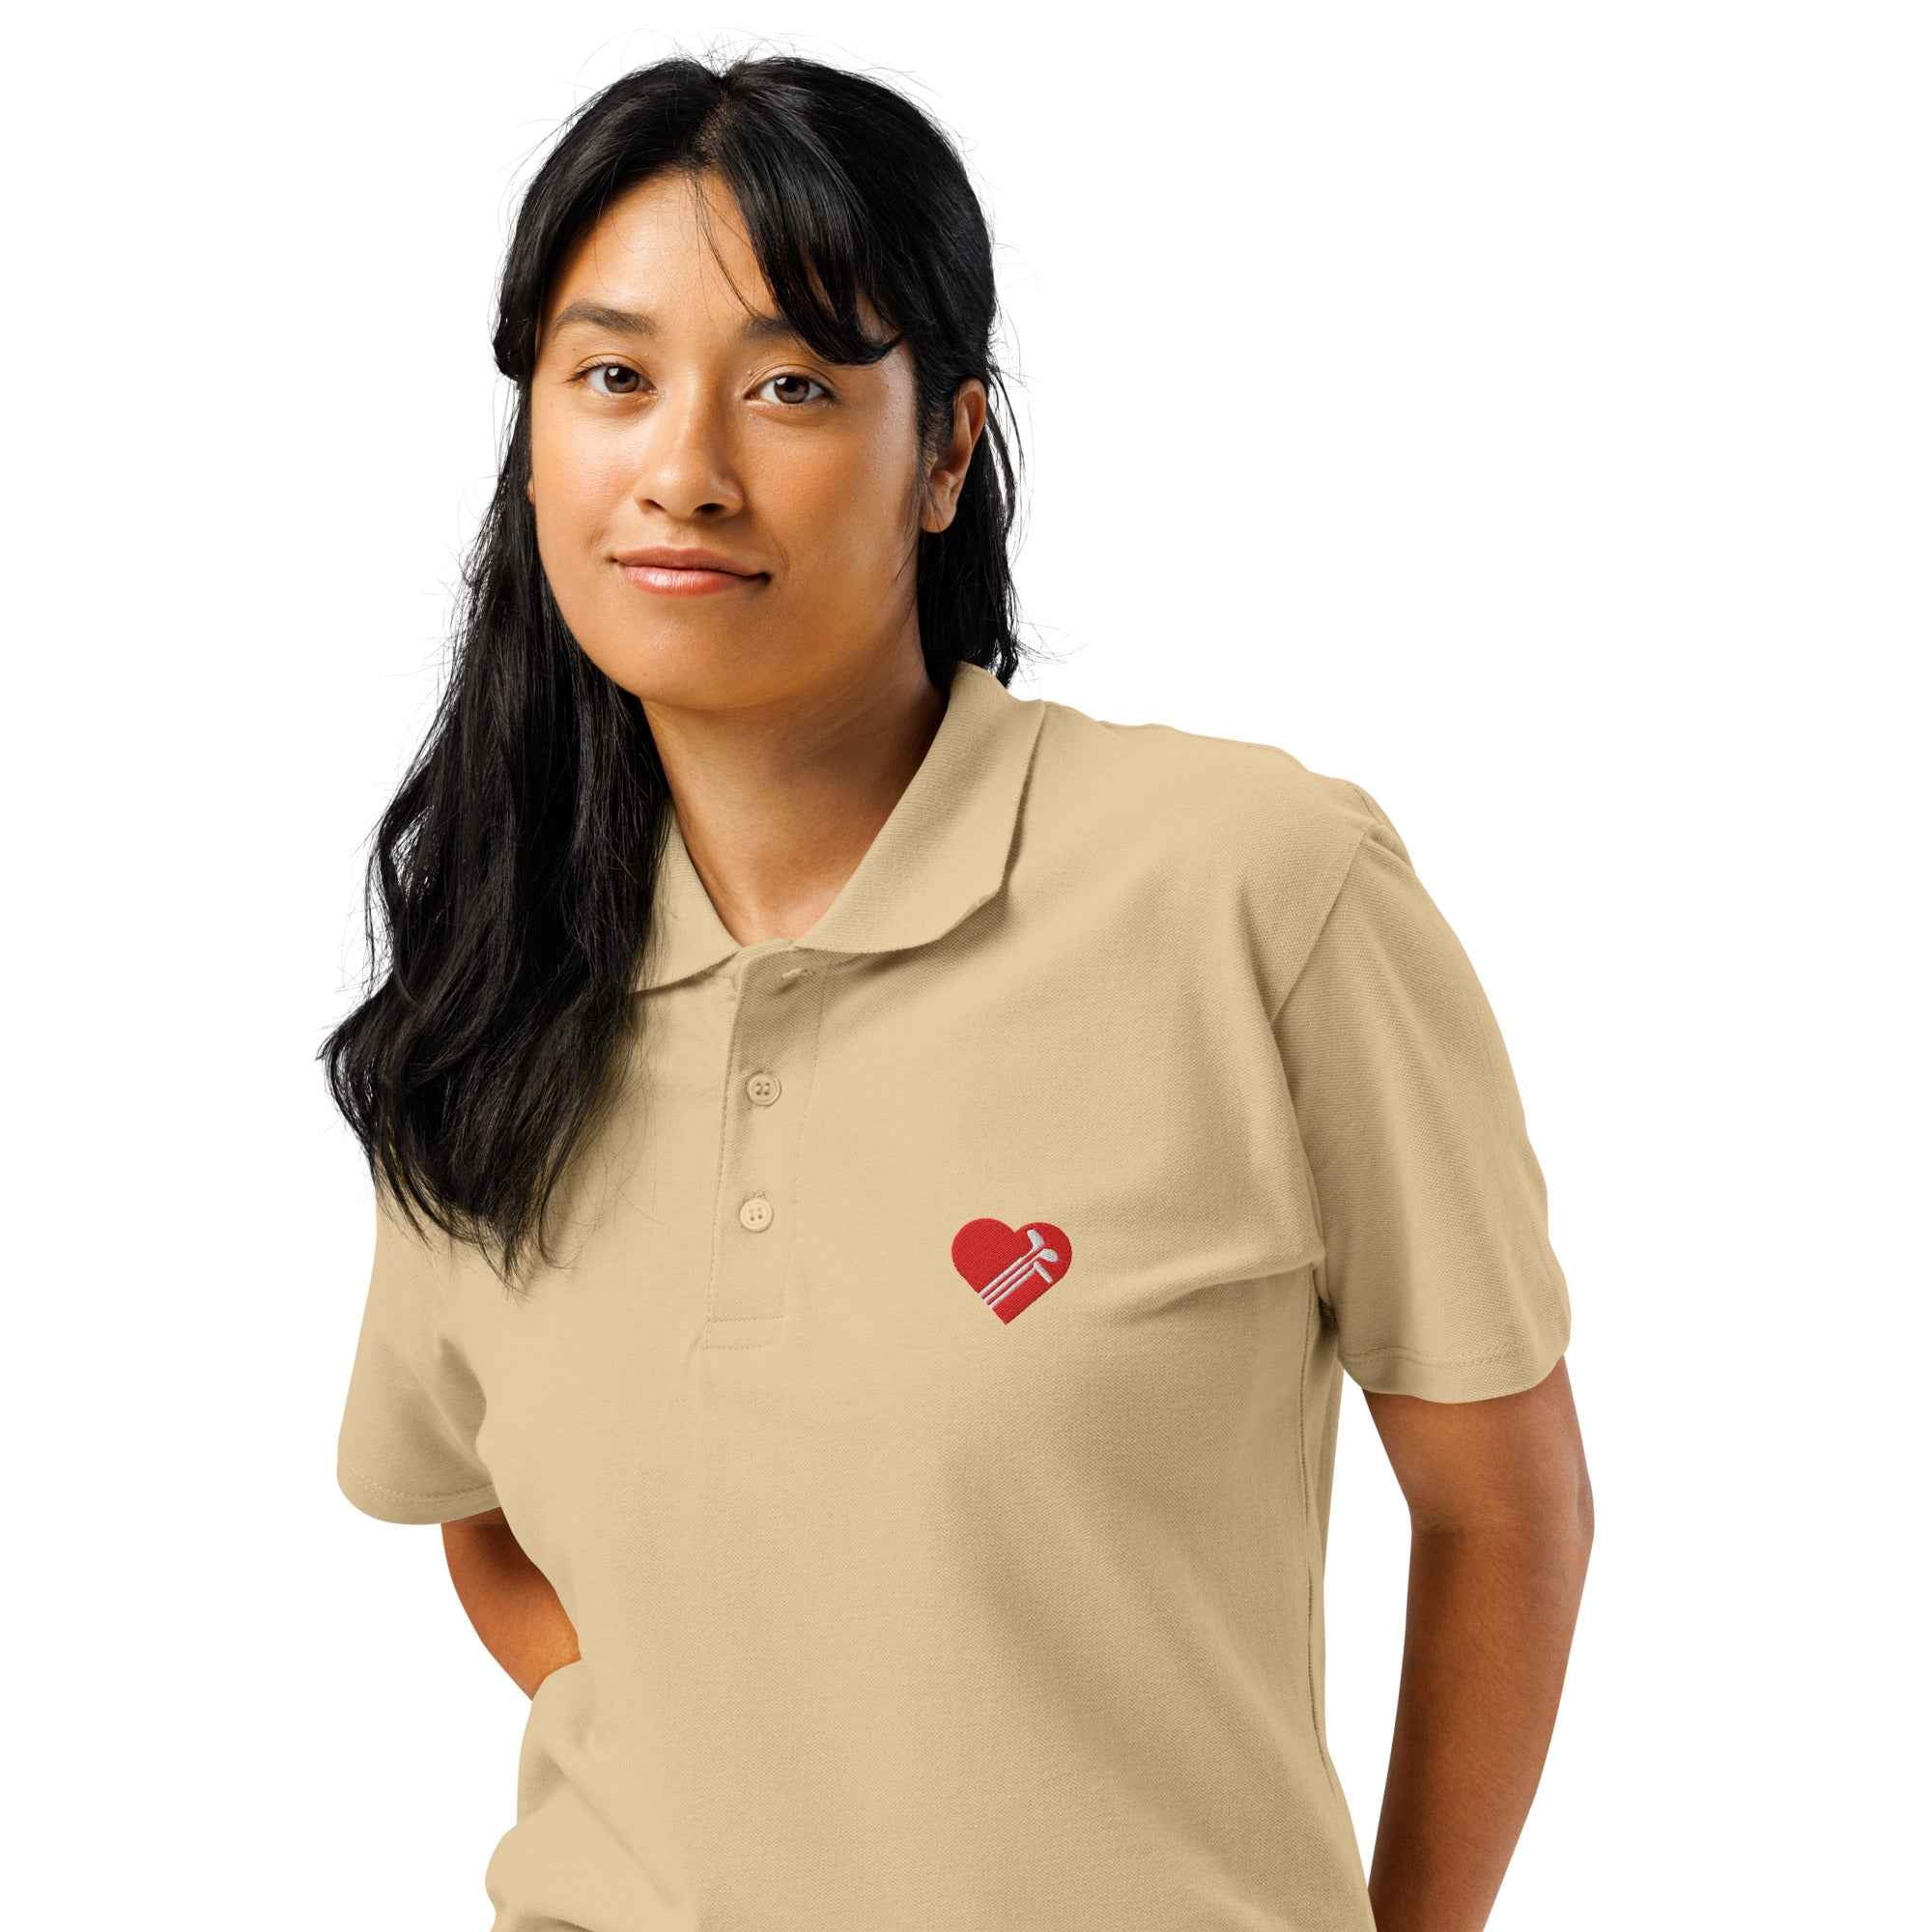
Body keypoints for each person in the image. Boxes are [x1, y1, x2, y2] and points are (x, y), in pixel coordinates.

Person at [324, 51, 1594, 1932]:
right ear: (535, 440)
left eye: (791, 386)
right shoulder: (498, 976)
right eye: (612, 378)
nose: (684, 470)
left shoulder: (1255, 889)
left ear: (943, 451)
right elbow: (485, 1521)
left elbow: (1505, 1508)